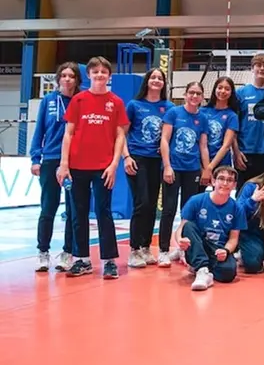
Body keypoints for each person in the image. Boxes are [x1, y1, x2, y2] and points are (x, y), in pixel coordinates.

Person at [56, 56, 129, 279]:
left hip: (103, 167)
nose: (99, 75)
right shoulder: (78, 100)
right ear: (88, 75)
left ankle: (109, 261)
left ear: (109, 76)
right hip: (77, 166)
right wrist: (64, 164)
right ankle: (82, 259)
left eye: (103, 72)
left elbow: (120, 135)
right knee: (78, 213)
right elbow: (68, 134)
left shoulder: (116, 102)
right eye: (95, 72)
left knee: (103, 212)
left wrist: (114, 164)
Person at [123, 67, 174, 268]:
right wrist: (126, 157)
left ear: (163, 83)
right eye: (153, 77)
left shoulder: (168, 107)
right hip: (137, 158)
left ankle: (145, 246)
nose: (156, 80)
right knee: (141, 202)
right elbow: (122, 134)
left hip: (157, 160)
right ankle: (134, 249)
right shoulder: (134, 105)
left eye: (160, 78)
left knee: (153, 204)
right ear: (147, 81)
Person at [31, 61, 80, 272]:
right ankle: (43, 252)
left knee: (73, 209)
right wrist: (35, 158)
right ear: (58, 78)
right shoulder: (48, 101)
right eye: (64, 75)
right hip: (51, 159)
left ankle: (68, 252)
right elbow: (39, 130)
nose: (67, 79)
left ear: (77, 80)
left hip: (76, 161)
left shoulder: (81, 100)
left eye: (71, 76)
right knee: (48, 208)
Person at [159, 81, 210, 267]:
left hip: (192, 170)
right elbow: (164, 140)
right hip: (174, 168)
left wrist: (207, 169)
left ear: (202, 97)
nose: (194, 96)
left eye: (198, 93)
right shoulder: (174, 113)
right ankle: (164, 250)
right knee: (169, 208)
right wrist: (167, 166)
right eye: (191, 93)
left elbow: (203, 146)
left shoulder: (202, 119)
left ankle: (184, 248)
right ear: (185, 94)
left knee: (188, 212)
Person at [176, 166, 246, 291]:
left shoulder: (237, 208)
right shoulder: (196, 200)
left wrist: (226, 250)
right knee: (188, 226)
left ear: (234, 185)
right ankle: (202, 270)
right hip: (199, 243)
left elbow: (234, 238)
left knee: (229, 272)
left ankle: (199, 265)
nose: (225, 183)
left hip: (217, 249)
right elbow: (181, 228)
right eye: (221, 179)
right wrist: (180, 240)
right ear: (213, 181)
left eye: (229, 180)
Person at [234, 53, 264, 191]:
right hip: (245, 152)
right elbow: (233, 127)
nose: (262, 68)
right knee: (243, 193)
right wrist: (236, 151)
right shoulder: (241, 93)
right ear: (252, 69)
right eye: (258, 65)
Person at [200, 77, 240, 182]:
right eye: (220, 87)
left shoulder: (232, 116)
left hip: (221, 163)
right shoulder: (202, 111)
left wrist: (210, 167)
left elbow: (226, 145)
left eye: (227, 89)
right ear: (214, 89)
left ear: (231, 92)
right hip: (200, 162)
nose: (223, 91)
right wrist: (204, 166)